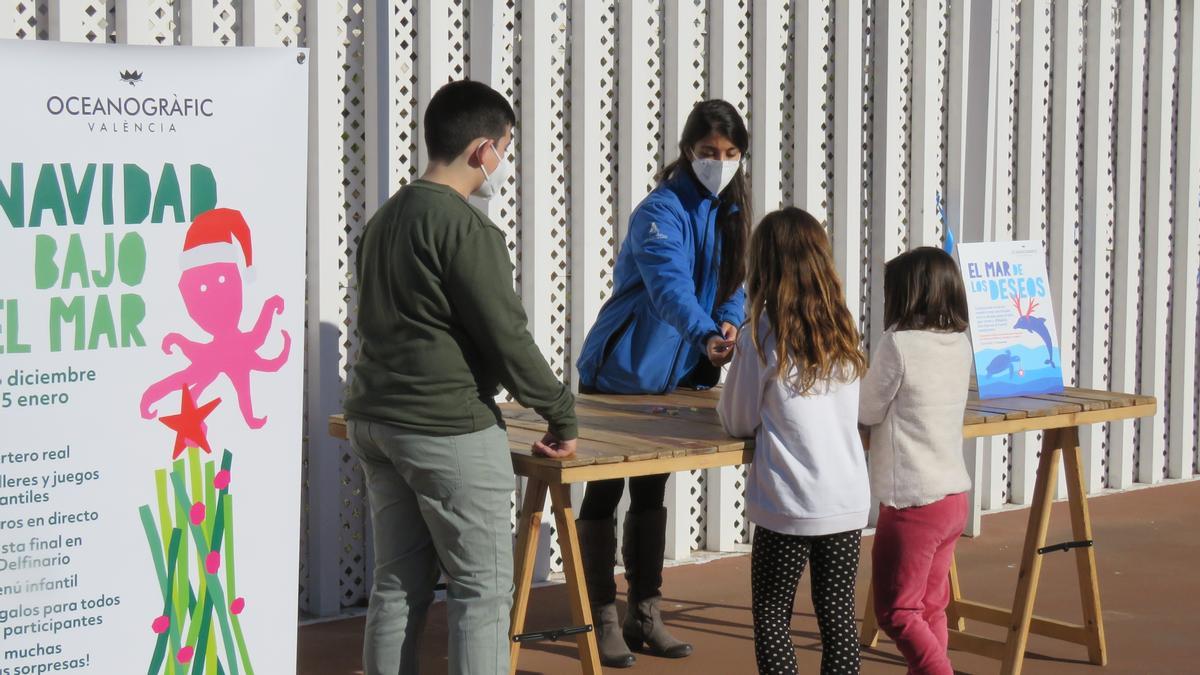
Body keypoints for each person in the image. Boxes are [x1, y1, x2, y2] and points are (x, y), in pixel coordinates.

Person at [343, 80, 578, 675]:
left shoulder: (385, 220)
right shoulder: (466, 229)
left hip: (375, 422)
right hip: (447, 428)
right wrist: (560, 410)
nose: (500, 161)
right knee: (482, 593)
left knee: (397, 584)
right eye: (502, 147)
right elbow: (507, 339)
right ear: (482, 149)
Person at [573, 99, 751, 668]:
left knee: (652, 492)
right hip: (618, 373)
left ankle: (644, 611)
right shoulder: (660, 209)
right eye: (707, 153)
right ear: (687, 152)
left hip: (673, 378)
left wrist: (729, 317)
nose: (718, 163)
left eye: (728, 155)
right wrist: (706, 334)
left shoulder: (730, 210)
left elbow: (735, 280)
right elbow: (668, 283)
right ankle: (599, 614)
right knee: (605, 490)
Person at [717, 208, 871, 675]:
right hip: (846, 499)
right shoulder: (843, 330)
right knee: (839, 618)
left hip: (787, 502)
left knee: (772, 616)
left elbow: (739, 420)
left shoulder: (760, 334)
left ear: (763, 267)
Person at [859, 247, 973, 675]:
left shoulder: (898, 344)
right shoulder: (959, 343)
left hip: (912, 502)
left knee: (897, 611)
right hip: (952, 496)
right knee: (930, 607)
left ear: (907, 294)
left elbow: (868, 409)